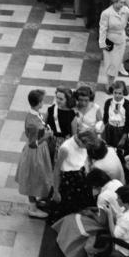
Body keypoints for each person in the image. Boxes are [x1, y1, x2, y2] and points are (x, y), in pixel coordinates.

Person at [52, 168, 123, 257]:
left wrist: (91, 214)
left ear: (95, 185)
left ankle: (71, 251)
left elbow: (102, 221)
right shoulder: (116, 182)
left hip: (111, 224)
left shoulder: (102, 197)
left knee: (74, 221)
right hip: (117, 219)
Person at [15, 89, 54, 219]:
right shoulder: (33, 122)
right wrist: (46, 136)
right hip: (35, 153)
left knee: (39, 177)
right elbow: (33, 143)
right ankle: (32, 207)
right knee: (32, 178)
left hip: (40, 150)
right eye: (42, 100)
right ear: (39, 103)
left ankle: (36, 201)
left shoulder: (35, 114)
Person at [85, 185, 129, 257]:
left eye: (119, 198)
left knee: (88, 248)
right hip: (126, 241)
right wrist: (109, 211)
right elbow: (119, 219)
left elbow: (114, 234)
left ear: (126, 200)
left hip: (124, 250)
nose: (116, 200)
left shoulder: (128, 219)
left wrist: (109, 214)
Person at [51, 129, 97, 220]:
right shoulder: (66, 149)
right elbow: (56, 170)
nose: (86, 149)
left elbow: (84, 160)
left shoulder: (83, 145)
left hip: (80, 176)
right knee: (67, 210)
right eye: (86, 146)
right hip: (68, 181)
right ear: (82, 142)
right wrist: (56, 191)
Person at [99, 0, 129, 91]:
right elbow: (102, 29)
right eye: (121, 2)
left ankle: (111, 82)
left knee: (116, 63)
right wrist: (102, 43)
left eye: (124, 2)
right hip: (109, 40)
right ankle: (109, 83)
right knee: (110, 63)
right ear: (114, 1)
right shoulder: (106, 13)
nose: (122, 4)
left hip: (121, 39)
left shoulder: (125, 9)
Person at [101, 80, 129, 154]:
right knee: (108, 150)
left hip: (121, 131)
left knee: (121, 150)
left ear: (124, 93)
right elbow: (105, 117)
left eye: (120, 93)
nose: (117, 96)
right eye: (115, 93)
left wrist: (124, 137)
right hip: (109, 129)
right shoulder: (108, 102)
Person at [45, 86, 77, 150]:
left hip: (64, 144)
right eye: (57, 97)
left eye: (61, 99)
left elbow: (74, 135)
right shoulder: (51, 109)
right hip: (49, 141)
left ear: (67, 100)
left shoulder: (71, 114)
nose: (58, 101)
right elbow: (44, 124)